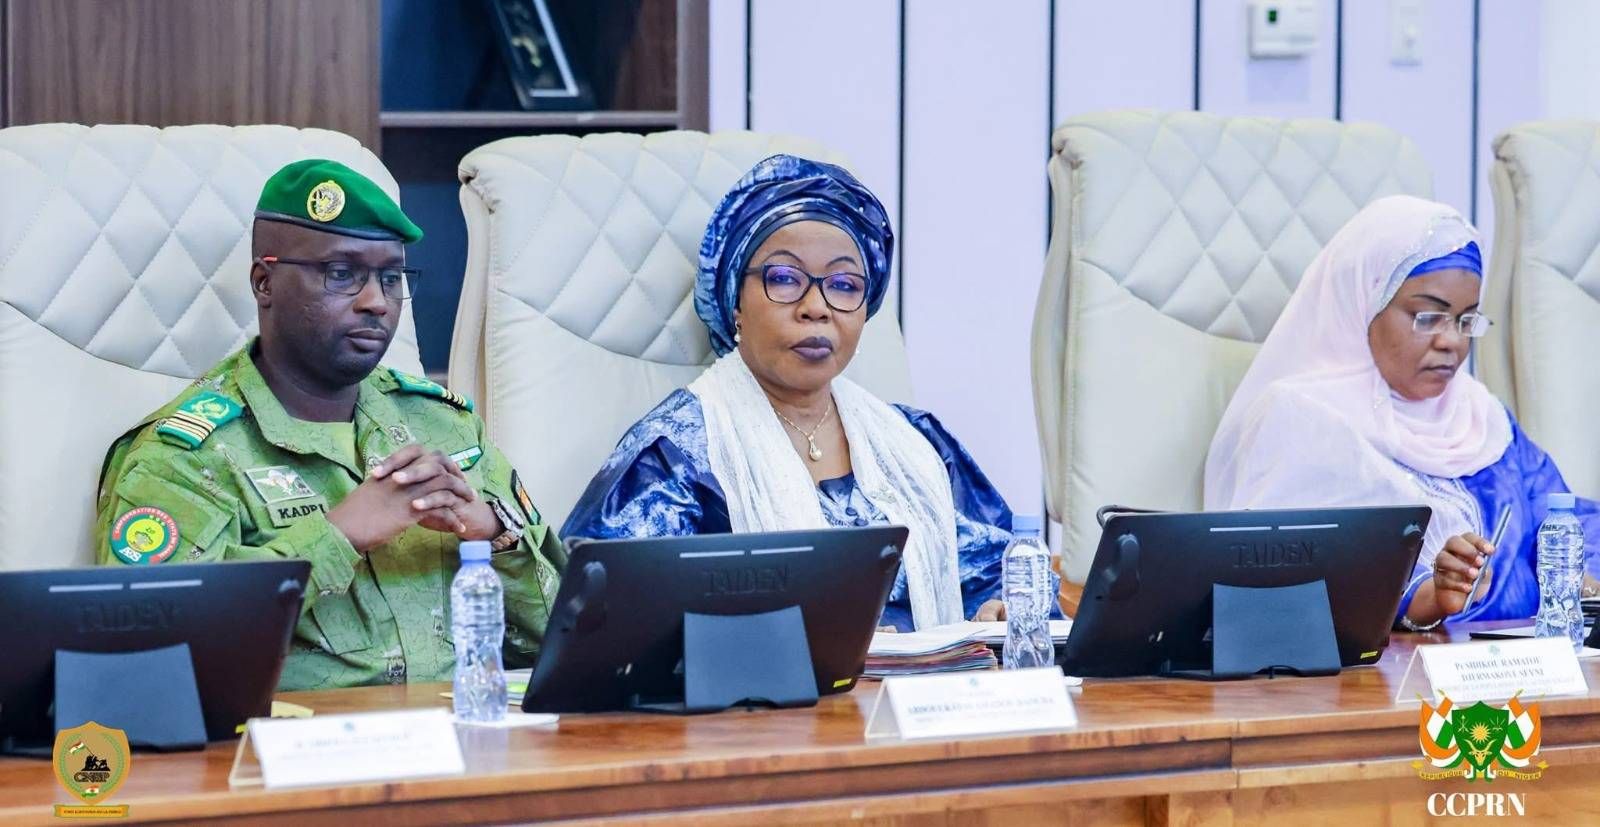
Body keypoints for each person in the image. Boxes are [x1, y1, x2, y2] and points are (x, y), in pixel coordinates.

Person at [95, 159, 565, 689]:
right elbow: (148, 663)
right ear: (265, 282)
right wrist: (338, 535)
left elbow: (566, 638)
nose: (376, 302)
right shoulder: (183, 458)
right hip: (299, 738)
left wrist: (495, 535)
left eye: (391, 278)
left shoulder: (444, 426)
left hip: (469, 730)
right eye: (341, 274)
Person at [561, 155, 1040, 631]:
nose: (817, 307)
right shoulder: (676, 453)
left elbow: (1005, 578)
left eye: (844, 285)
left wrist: (1001, 609)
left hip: (933, 681)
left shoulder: (919, 446)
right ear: (735, 302)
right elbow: (604, 623)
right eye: (785, 279)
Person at [1204, 194, 1600, 630]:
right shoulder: (1304, 418)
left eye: (1466, 321)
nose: (1452, 342)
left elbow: (1566, 518)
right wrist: (1424, 599)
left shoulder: (1482, 416)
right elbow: (1274, 576)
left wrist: (1587, 580)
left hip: (1532, 659)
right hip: (1394, 669)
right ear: (1365, 303)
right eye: (1428, 317)